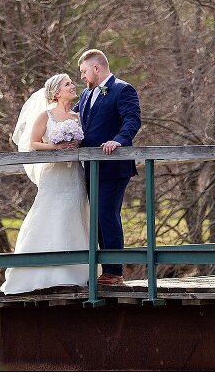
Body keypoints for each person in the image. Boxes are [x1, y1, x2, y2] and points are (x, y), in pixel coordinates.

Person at [2, 74, 89, 294]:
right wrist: (56, 148)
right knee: (49, 214)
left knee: (75, 216)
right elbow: (33, 143)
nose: (72, 86)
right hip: (54, 175)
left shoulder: (78, 116)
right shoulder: (46, 115)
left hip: (74, 175)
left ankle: (74, 272)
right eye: (67, 84)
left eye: (71, 83)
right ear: (56, 92)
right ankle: (37, 271)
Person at [74, 49, 141, 286]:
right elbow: (71, 121)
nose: (82, 76)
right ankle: (107, 271)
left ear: (96, 68)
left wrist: (119, 140)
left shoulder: (123, 89)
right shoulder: (84, 95)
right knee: (97, 218)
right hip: (90, 167)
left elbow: (133, 119)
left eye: (83, 71)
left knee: (106, 214)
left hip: (114, 165)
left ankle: (115, 271)